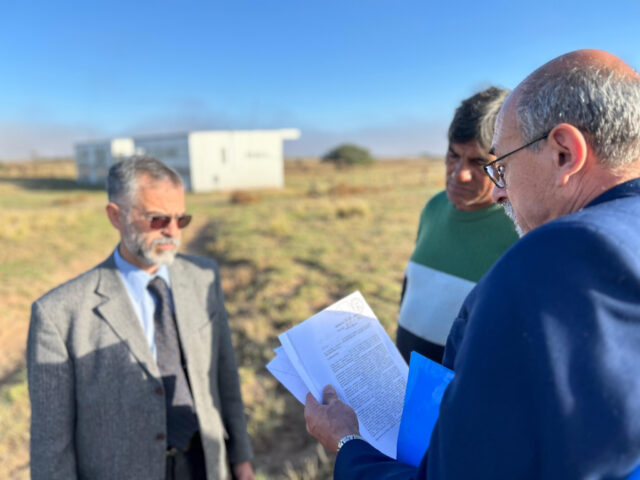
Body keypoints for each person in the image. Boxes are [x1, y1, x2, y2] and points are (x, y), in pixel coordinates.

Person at [304, 49, 640, 479]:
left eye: (498, 166)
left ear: (563, 153)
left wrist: (347, 445)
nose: (499, 191)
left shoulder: (548, 258)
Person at [27, 157, 254, 480]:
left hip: (205, 464)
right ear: (115, 216)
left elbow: (224, 374)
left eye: (181, 219)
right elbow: (51, 442)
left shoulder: (204, 276)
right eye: (157, 219)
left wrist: (241, 458)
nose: (172, 231)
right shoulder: (58, 314)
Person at [396, 86, 518, 364]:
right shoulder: (434, 207)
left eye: (479, 162)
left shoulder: (522, 226)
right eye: (453, 155)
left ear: (507, 161)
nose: (459, 174)